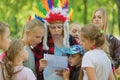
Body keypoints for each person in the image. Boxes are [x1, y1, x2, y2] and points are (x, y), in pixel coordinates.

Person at [32, 0, 77, 80]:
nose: (56, 30)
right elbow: (34, 68)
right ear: (48, 28)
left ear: (63, 27)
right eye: (53, 27)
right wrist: (40, 67)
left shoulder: (70, 40)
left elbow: (79, 60)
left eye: (59, 27)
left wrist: (69, 71)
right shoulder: (42, 42)